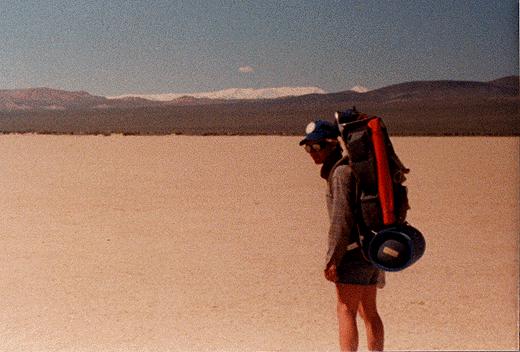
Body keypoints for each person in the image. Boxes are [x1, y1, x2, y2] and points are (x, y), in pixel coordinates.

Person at [300, 119, 385, 351]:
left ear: (332, 144)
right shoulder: (355, 169)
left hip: (352, 254)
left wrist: (332, 259)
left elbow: (341, 221)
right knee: (369, 312)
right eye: (308, 147)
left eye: (317, 146)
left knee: (345, 310)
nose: (311, 152)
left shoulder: (340, 174)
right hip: (372, 250)